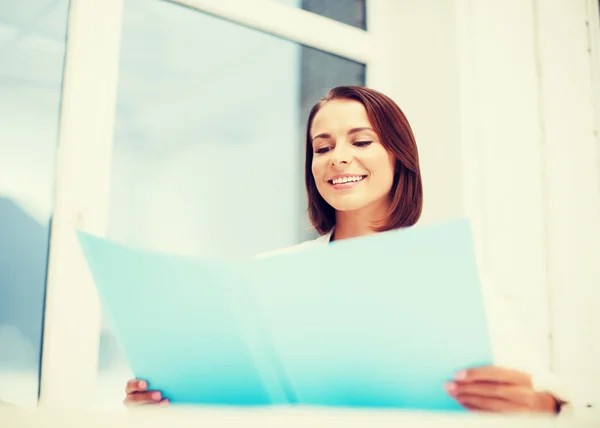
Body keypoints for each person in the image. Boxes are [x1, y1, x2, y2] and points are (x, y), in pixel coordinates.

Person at [123, 86, 569, 414]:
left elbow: (552, 395)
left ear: (399, 157)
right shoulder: (269, 274)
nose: (337, 158)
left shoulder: (447, 272)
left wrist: (538, 403)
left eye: (360, 141)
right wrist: (162, 401)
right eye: (322, 147)